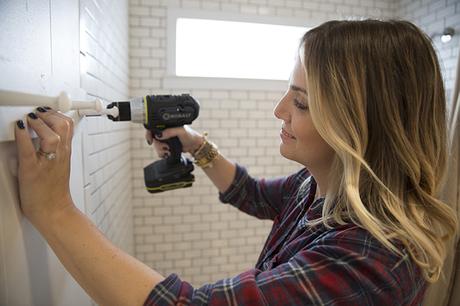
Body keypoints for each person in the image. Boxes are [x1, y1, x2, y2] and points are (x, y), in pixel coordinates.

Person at [14, 19, 457, 306]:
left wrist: (54, 209)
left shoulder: (370, 261)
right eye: (289, 90)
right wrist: (191, 142)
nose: (279, 109)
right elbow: (251, 193)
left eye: (301, 103)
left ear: (361, 124)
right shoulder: (318, 187)